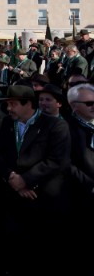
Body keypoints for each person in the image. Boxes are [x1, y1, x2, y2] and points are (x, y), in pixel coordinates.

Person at [0, 85, 71, 275]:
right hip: (12, 197)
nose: (9, 108)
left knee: (38, 253)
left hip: (41, 198)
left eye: (13, 104)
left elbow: (57, 161)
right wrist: (13, 179)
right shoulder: (5, 123)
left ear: (28, 104)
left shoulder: (55, 125)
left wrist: (27, 180)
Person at [66, 83, 94, 269]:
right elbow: (64, 162)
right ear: (74, 106)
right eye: (90, 103)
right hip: (81, 197)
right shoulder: (65, 127)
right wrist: (90, 184)